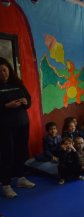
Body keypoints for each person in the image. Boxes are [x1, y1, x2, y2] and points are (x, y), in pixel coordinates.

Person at [0, 57, 35, 198]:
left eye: (4, 70)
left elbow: (29, 100)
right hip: (5, 127)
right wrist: (6, 106)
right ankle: (6, 185)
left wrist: (25, 102)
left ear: (9, 69)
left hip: (22, 124)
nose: (3, 73)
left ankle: (21, 178)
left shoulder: (18, 84)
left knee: (22, 152)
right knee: (7, 155)